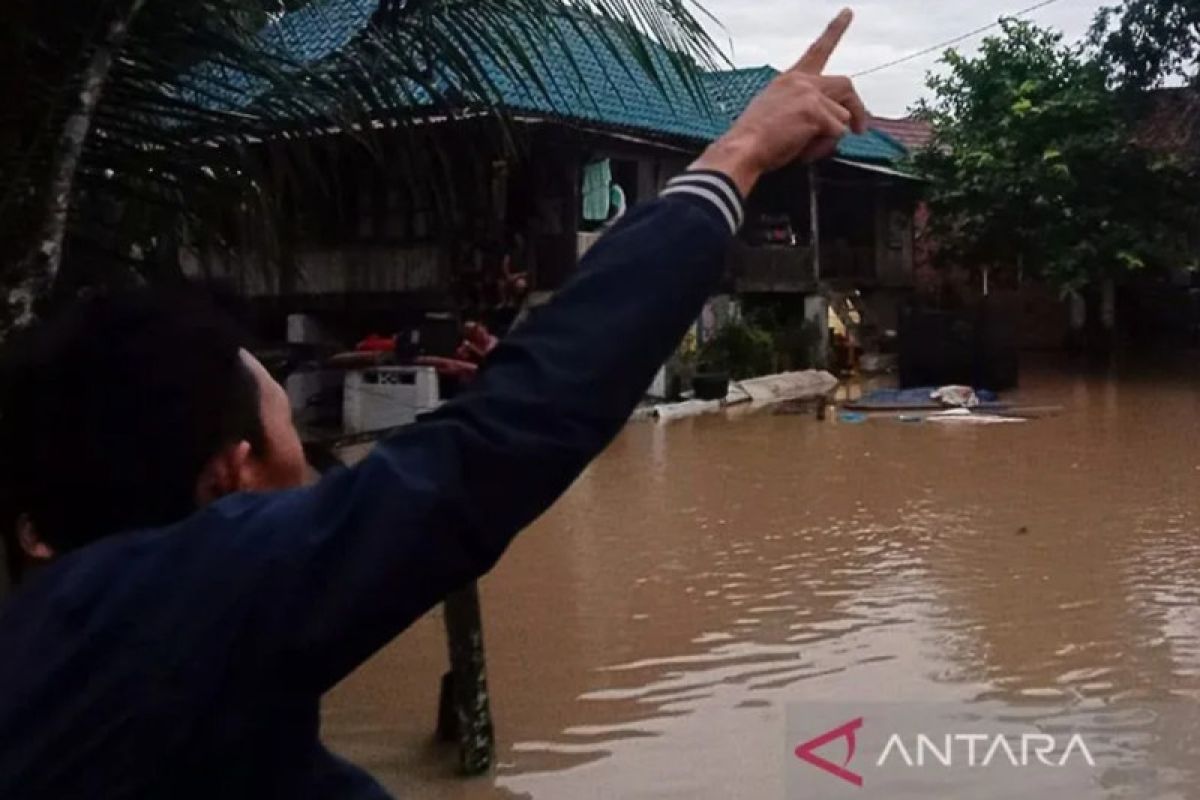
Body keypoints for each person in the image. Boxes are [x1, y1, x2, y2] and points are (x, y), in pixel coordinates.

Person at [0, 10, 868, 799]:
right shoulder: (183, 612)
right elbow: (502, 441)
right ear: (232, 479)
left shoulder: (76, 661)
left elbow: (486, 427)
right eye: (290, 433)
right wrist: (741, 152)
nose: (312, 460)